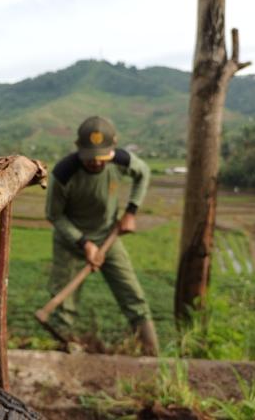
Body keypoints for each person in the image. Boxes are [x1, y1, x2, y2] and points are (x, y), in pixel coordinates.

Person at [45, 115, 159, 356]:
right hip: (71, 241)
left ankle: (153, 356)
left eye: (102, 159)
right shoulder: (63, 174)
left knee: (132, 295)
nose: (96, 163)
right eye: (90, 159)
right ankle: (62, 353)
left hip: (108, 236)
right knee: (64, 309)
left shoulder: (121, 160)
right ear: (79, 149)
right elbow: (54, 216)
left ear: (113, 147)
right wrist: (84, 243)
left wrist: (131, 211)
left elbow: (144, 173)